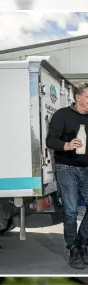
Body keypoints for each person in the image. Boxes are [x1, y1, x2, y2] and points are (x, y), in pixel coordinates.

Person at [46, 82, 88, 269]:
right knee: (70, 211)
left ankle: (83, 242)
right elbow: (51, 140)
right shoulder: (62, 115)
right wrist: (67, 145)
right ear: (78, 97)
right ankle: (74, 249)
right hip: (67, 167)